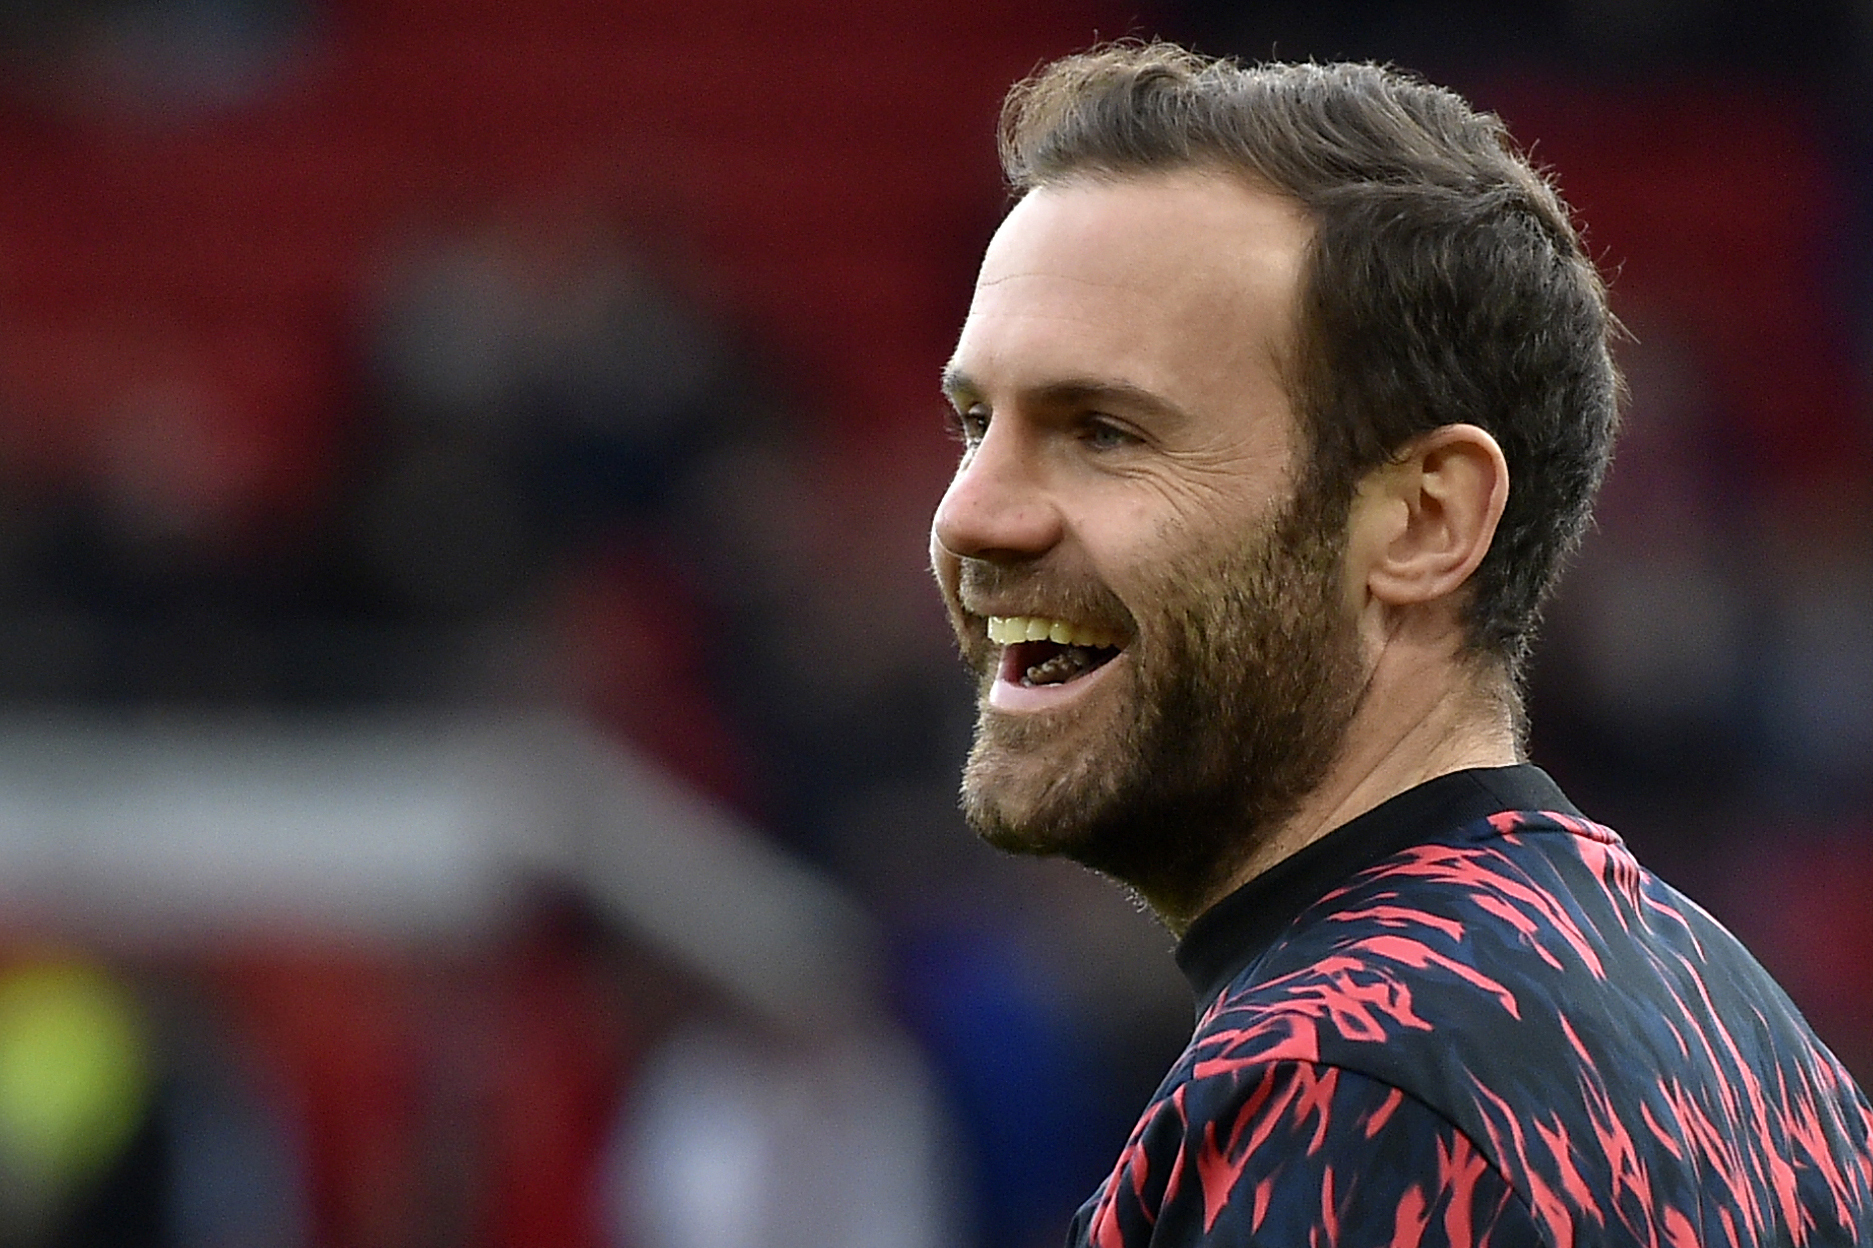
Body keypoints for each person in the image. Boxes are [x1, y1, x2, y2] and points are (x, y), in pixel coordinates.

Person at [928, 42, 1873, 1246]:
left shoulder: (1347, 1087)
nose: (970, 513)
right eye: (974, 421)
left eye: (1105, 431)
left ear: (1425, 520)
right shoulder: (1735, 1026)